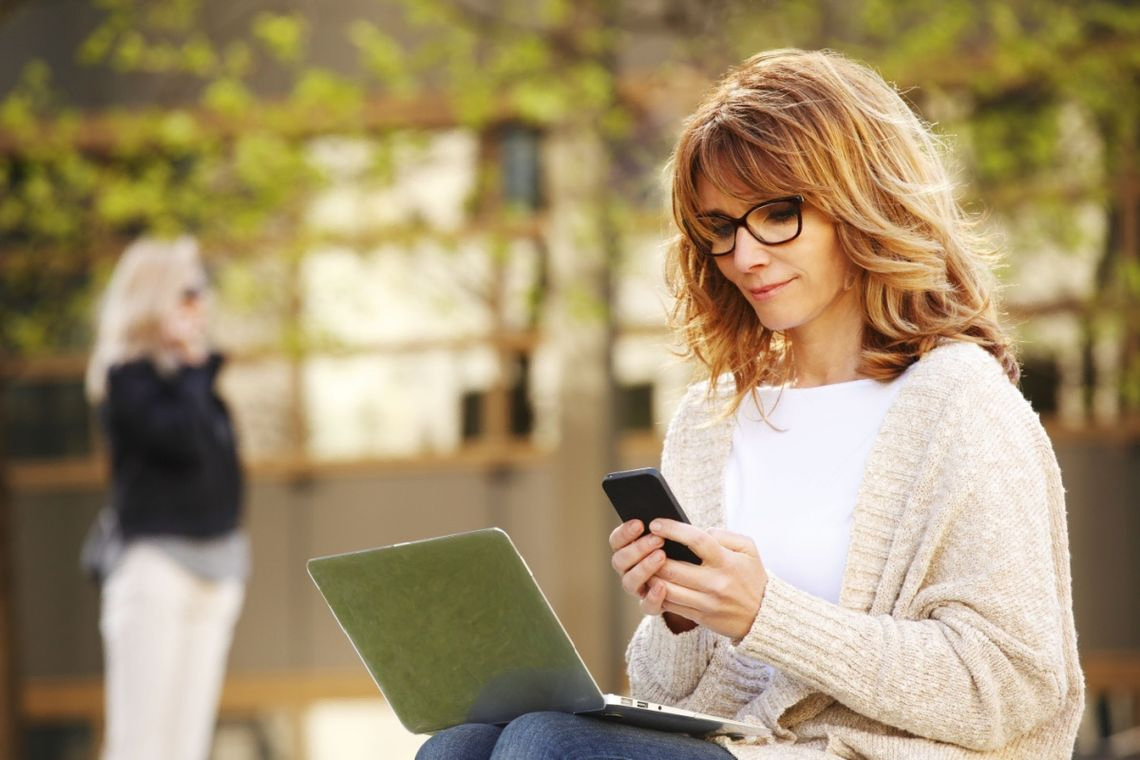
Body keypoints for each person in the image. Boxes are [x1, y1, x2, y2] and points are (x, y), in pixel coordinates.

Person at [416, 47, 1082, 760]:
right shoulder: (711, 422)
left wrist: (766, 613)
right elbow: (675, 702)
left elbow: (1011, 689)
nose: (746, 255)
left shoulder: (960, 404)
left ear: (861, 202)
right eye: (722, 226)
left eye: (776, 214)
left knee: (546, 744)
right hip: (744, 748)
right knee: (463, 744)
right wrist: (679, 617)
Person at [83, 236, 249, 760]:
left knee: (188, 743)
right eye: (189, 292)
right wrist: (194, 369)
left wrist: (196, 369)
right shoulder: (128, 379)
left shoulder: (196, 383)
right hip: (157, 571)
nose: (202, 304)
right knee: (142, 743)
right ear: (156, 300)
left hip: (217, 571)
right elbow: (176, 439)